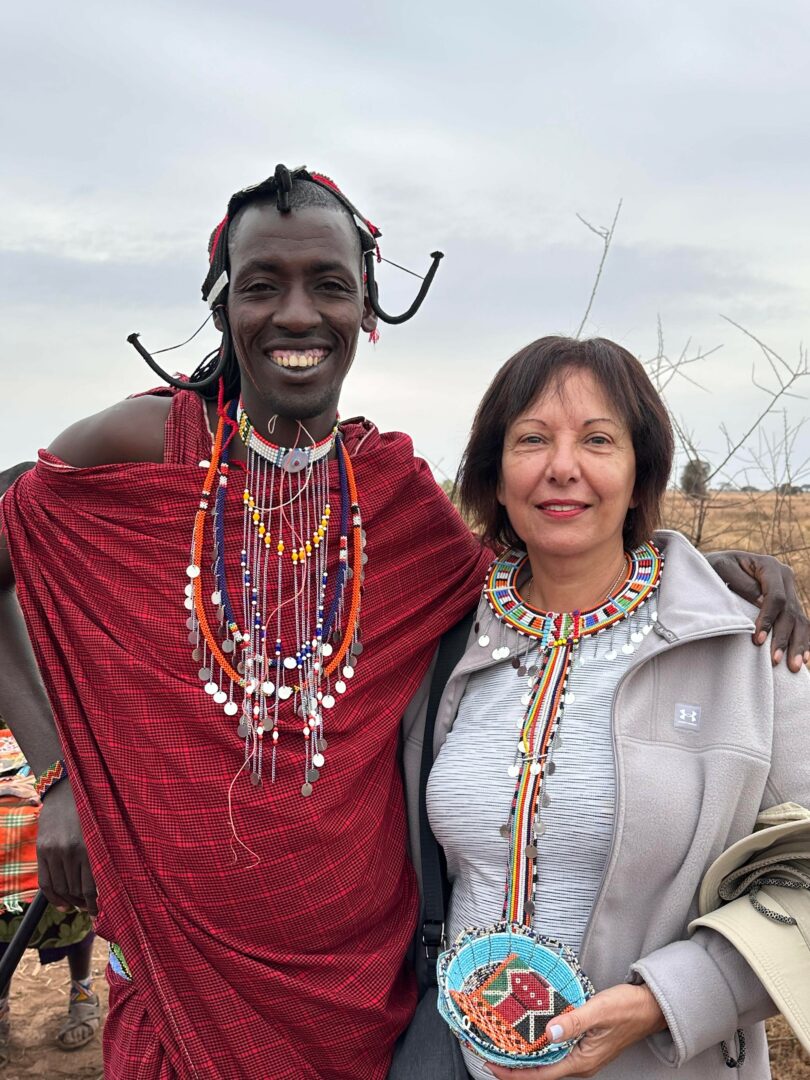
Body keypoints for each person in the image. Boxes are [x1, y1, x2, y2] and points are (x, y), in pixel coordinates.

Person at [0, 169, 805, 1080]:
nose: (296, 314)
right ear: (223, 304)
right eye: (262, 285)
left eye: (329, 285)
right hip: (180, 964)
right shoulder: (139, 452)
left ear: (368, 308)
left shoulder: (391, 498)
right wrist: (56, 777)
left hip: (364, 988)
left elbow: (547, 574)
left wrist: (693, 571)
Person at [405, 335, 810, 1079]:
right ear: (496, 477)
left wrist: (669, 999)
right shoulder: (445, 644)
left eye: (597, 439)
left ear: (639, 472)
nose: (563, 466)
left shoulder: (744, 650)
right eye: (532, 439)